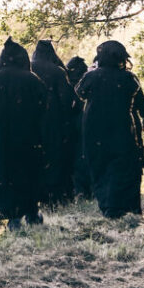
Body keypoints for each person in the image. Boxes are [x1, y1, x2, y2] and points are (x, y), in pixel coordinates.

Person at [75, 40, 144, 218]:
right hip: (122, 128)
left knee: (99, 165)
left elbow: (79, 92)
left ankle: (109, 206)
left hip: (95, 129)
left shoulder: (92, 76)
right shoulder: (128, 77)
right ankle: (121, 206)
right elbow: (138, 99)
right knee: (122, 165)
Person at [0, 38, 49, 228]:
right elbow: (44, 109)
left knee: (6, 176)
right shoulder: (32, 80)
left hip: (3, 138)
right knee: (29, 174)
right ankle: (31, 213)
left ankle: (13, 217)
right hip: (29, 138)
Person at [30, 40, 75, 205]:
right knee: (54, 156)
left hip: (31, 121)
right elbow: (67, 99)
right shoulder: (57, 71)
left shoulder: (28, 68)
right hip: (53, 121)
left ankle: (37, 195)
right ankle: (54, 196)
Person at [64, 54, 91, 198]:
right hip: (87, 124)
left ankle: (80, 189)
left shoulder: (69, 83)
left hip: (73, 125)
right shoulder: (88, 80)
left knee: (76, 157)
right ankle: (85, 189)